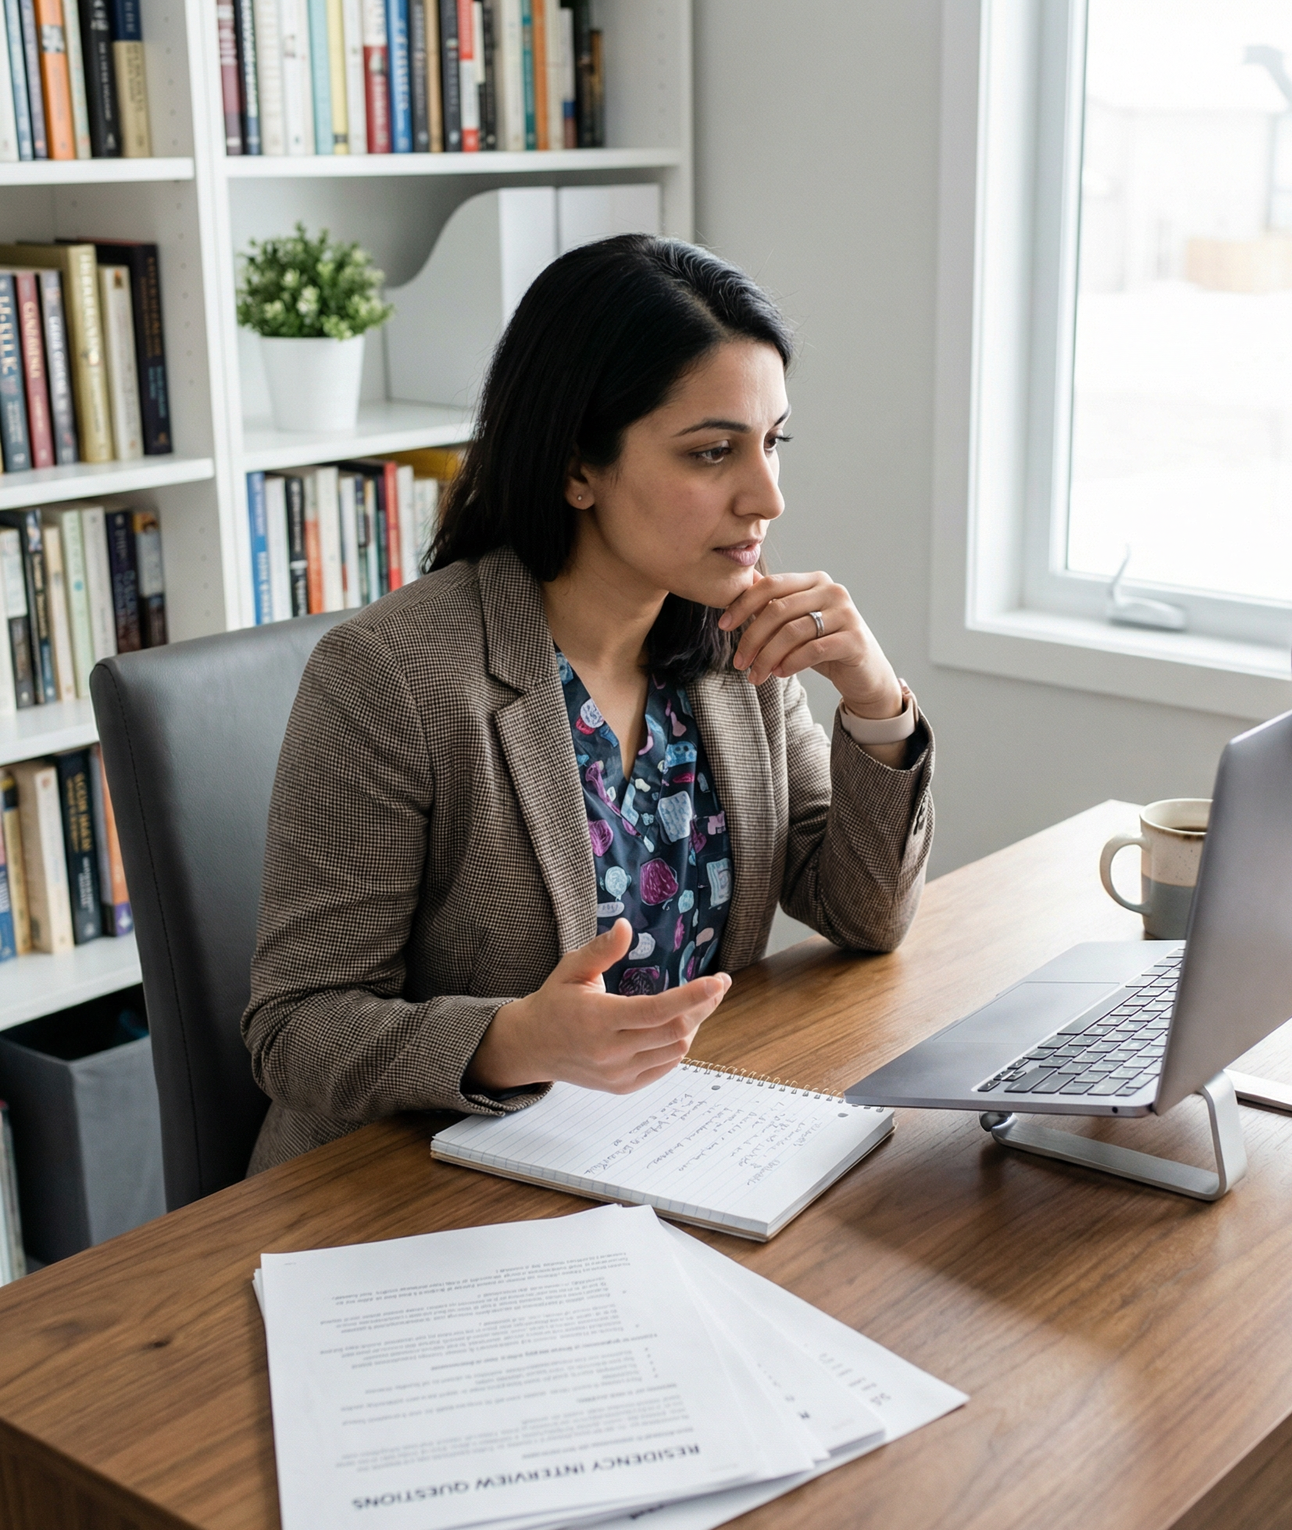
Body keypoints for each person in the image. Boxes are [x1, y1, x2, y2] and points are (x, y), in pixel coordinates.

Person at [243, 235, 935, 1172]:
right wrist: (511, 1041)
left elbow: (864, 914)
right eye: (712, 452)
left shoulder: (737, 642)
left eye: (773, 443)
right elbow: (295, 1029)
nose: (766, 497)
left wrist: (875, 700)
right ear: (577, 467)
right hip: (419, 1182)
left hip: (664, 1153)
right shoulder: (390, 676)